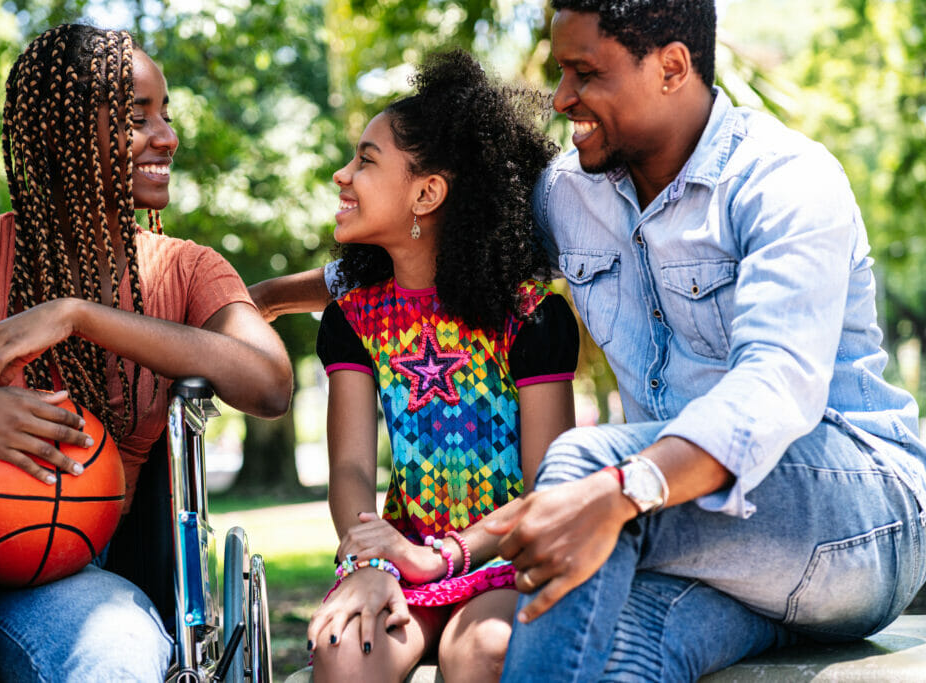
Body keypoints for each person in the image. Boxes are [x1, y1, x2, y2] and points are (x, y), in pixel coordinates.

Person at [252, 1, 926, 680]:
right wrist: (274, 297)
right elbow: (449, 252)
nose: (560, 97)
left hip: (856, 524)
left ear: (671, 67)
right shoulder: (572, 197)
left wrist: (626, 486)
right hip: (710, 548)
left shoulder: (783, 181)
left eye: (584, 71)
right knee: (610, 656)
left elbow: (775, 387)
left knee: (579, 463)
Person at [0, 24, 293, 681]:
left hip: (70, 571)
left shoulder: (186, 271)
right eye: (139, 118)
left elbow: (270, 383)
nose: (166, 136)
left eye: (166, 114)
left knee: (120, 648)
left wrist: (78, 316)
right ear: (62, 136)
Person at [304, 50, 579, 683]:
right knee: (343, 648)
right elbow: (349, 467)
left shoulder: (529, 318)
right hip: (397, 555)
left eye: (366, 162)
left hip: (504, 557)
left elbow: (546, 489)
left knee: (480, 648)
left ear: (427, 193)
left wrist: (450, 556)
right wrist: (368, 559)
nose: (343, 176)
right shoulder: (353, 320)